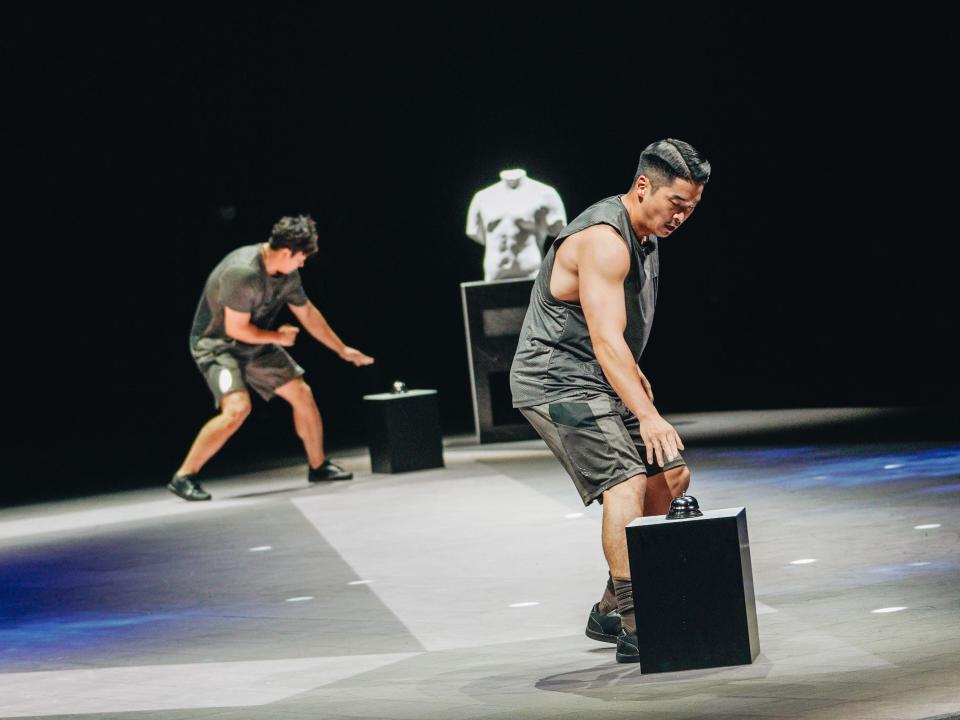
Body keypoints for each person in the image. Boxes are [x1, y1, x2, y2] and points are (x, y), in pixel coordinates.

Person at [509, 139, 710, 663]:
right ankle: (638, 623)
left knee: (669, 479)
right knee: (624, 481)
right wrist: (647, 416)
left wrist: (634, 377)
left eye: (691, 208)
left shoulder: (645, 234)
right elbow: (602, 338)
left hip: (594, 375)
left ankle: (606, 610)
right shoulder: (604, 240)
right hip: (557, 381)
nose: (682, 217)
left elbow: (614, 332)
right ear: (643, 186)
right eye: (676, 205)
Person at [168, 215, 374, 501]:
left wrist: (341, 349)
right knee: (237, 409)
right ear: (287, 252)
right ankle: (184, 476)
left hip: (254, 342)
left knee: (302, 393)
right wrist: (278, 337)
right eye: (302, 257)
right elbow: (234, 329)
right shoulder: (243, 272)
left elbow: (307, 313)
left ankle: (318, 466)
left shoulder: (287, 274)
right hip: (217, 347)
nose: (303, 264)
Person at [466, 169, 566, 281]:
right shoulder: (482, 198)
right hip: (494, 272)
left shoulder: (545, 194)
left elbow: (559, 230)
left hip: (531, 272)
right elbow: (473, 232)